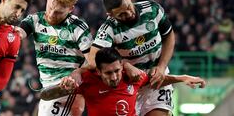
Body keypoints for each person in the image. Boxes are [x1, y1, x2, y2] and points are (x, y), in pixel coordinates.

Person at [40, 47, 206, 116]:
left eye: (117, 71)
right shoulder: (87, 81)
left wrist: (183, 78)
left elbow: (157, 80)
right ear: (98, 71)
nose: (114, 77)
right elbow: (46, 95)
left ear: (122, 66)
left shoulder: (132, 77)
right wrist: (64, 86)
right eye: (108, 73)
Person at [87, 0, 176, 116]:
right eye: (121, 14)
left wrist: (161, 66)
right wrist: (125, 66)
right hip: (131, 84)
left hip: (156, 77)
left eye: (128, 7)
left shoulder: (152, 9)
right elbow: (93, 59)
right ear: (110, 15)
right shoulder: (109, 29)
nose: (128, 13)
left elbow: (169, 36)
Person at [17, 0, 93, 116]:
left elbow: (93, 62)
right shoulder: (34, 20)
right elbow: (19, 33)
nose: (51, 14)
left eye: (58, 12)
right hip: (49, 91)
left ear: (70, 8)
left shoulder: (77, 27)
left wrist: (78, 72)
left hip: (69, 90)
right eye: (50, 7)